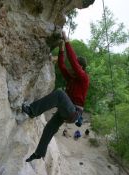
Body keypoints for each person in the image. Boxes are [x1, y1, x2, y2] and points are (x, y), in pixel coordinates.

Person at [22, 31, 89, 162]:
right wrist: (62, 49)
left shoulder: (84, 78)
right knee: (49, 128)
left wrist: (67, 41)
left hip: (74, 112)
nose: (72, 68)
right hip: (67, 112)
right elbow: (62, 65)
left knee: (59, 93)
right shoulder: (72, 79)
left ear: (81, 67)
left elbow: (73, 63)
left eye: (76, 67)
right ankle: (39, 153)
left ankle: (32, 110)